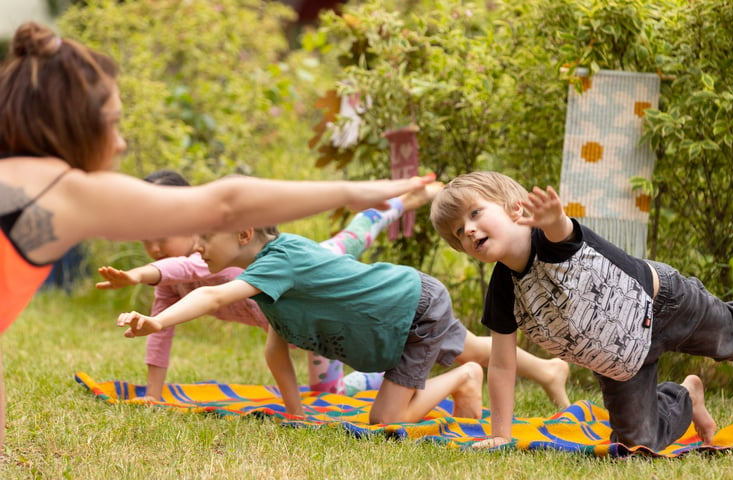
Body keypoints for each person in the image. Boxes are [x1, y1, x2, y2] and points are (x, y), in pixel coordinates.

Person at [0, 21, 434, 447]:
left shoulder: (30, 180)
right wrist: (359, 191)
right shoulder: (64, 192)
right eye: (113, 122)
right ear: (74, 125)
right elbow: (227, 202)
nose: (121, 144)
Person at [428, 171, 733, 450]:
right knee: (638, 442)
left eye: (476, 214)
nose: (469, 230)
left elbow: (563, 233)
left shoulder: (549, 240)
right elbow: (501, 365)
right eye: (459, 232)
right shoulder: (502, 290)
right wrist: (501, 433)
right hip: (618, 360)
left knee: (727, 337)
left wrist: (553, 218)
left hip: (665, 304)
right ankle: (687, 394)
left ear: (515, 208)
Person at [116, 222, 572, 424]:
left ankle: (463, 380)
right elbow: (275, 351)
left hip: (411, 309)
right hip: (397, 309)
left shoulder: (281, 259)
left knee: (386, 417)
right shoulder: (269, 282)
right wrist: (295, 412)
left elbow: (211, 293)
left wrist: (156, 324)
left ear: (243, 236)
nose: (195, 247)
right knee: (469, 344)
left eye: (203, 238)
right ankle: (551, 370)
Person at [96, 169, 439, 400]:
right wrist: (154, 396)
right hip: (297, 327)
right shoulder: (172, 278)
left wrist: (140, 273)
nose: (154, 249)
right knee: (328, 395)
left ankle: (397, 202)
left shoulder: (208, 255)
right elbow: (160, 332)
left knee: (353, 236)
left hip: (311, 279)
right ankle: (384, 377)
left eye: (162, 237)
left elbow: (184, 268)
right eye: (146, 241)